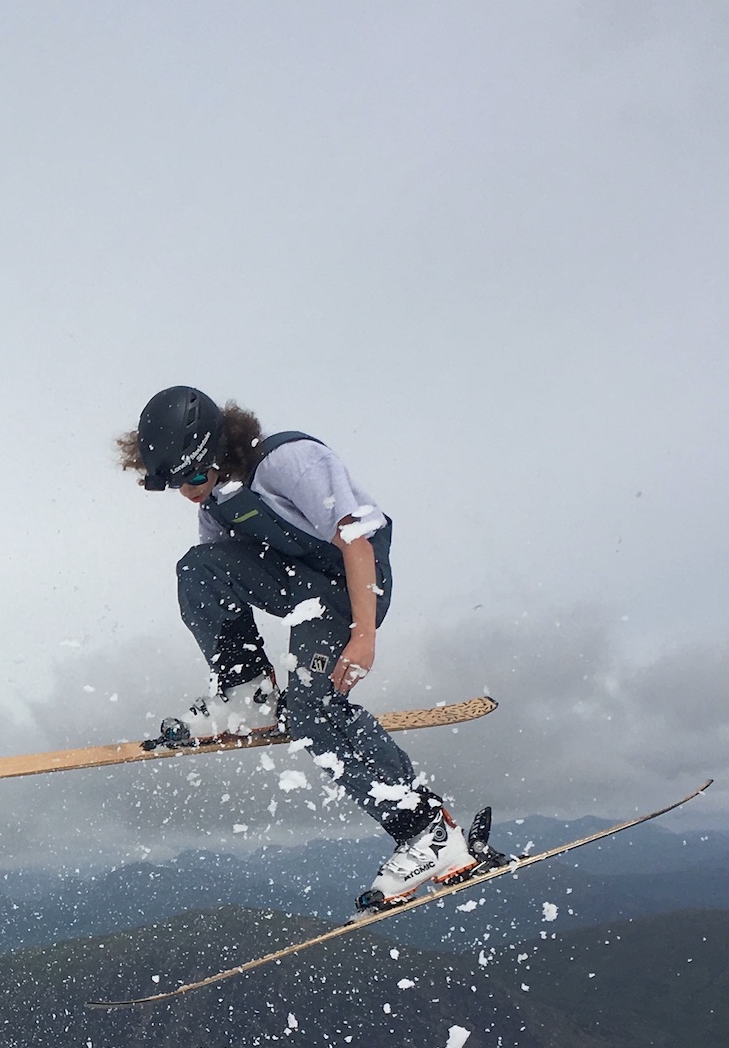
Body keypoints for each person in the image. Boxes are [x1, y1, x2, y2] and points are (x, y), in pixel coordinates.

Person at [118, 384, 487, 911]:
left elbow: (356, 539)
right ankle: (248, 695)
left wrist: (364, 635)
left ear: (217, 448)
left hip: (352, 586)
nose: (190, 492)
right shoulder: (219, 504)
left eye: (195, 477)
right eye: (177, 485)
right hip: (300, 587)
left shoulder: (291, 461)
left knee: (314, 712)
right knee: (197, 568)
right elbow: (219, 584)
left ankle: (429, 834)